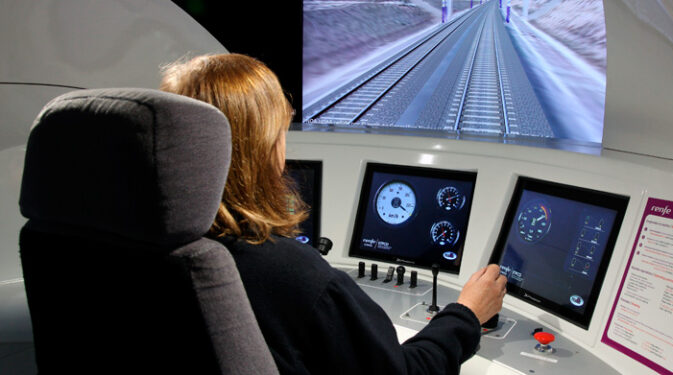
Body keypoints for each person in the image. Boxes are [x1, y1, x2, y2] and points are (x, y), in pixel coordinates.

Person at [160, 53, 507, 375]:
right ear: (261, 149)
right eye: (280, 133)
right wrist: (467, 314)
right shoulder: (293, 274)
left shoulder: (153, 246)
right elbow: (403, 371)